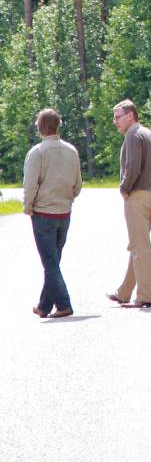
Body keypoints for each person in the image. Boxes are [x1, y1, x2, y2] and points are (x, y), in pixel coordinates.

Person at [23, 108, 82, 319]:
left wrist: (28, 207)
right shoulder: (72, 151)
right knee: (53, 260)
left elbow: (30, 185)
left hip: (43, 213)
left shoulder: (37, 152)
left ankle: (64, 304)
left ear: (39, 128)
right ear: (58, 126)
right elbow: (77, 184)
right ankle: (44, 306)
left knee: (49, 262)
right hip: (64, 212)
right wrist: (68, 198)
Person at [107, 98, 151, 309]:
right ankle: (124, 292)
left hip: (138, 194)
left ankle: (147, 296)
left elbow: (132, 167)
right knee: (137, 244)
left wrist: (124, 188)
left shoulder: (132, 135)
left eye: (118, 117)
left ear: (130, 115)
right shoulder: (148, 134)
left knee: (140, 247)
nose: (115, 122)